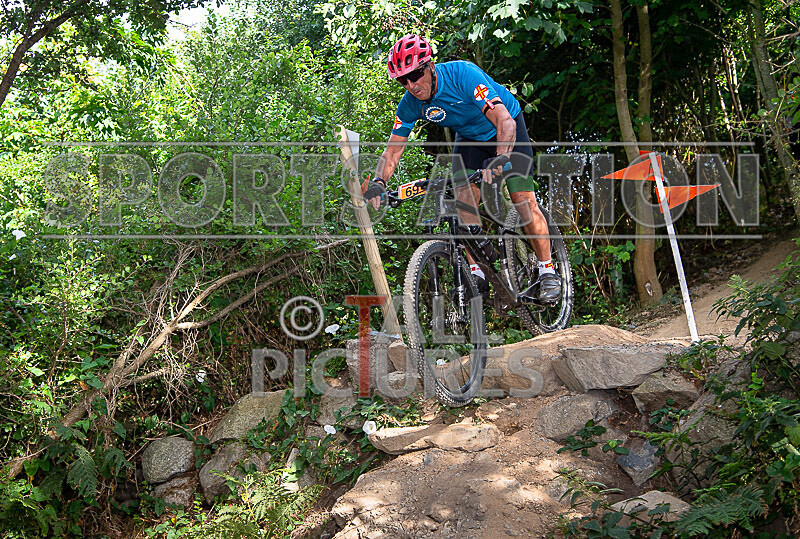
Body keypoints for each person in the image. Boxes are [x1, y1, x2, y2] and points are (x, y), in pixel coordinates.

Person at [363, 34, 561, 304]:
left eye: (416, 74)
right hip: (470, 140)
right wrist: (379, 182)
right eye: (402, 80)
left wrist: (501, 157)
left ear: (430, 65)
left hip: (506, 129)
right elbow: (393, 149)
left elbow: (504, 120)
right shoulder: (410, 104)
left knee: (522, 200)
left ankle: (547, 270)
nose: (411, 84)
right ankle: (478, 272)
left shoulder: (463, 74)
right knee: (463, 205)